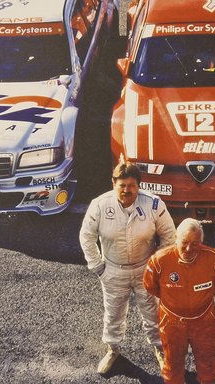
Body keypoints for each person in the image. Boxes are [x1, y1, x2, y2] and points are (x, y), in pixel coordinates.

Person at [79, 159, 176, 374]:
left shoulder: (154, 204)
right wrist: (98, 267)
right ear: (114, 183)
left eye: (132, 185)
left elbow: (169, 236)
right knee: (113, 313)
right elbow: (86, 236)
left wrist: (157, 265)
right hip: (113, 270)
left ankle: (160, 349)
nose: (127, 190)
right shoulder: (99, 205)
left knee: (153, 312)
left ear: (139, 185)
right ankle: (113, 350)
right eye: (122, 185)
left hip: (145, 269)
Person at [143, 218, 215, 384]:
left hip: (204, 320)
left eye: (195, 244)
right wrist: (175, 301)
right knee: (172, 363)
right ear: (176, 238)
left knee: (208, 361)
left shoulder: (214, 258)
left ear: (201, 242)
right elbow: (150, 286)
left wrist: (201, 300)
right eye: (184, 243)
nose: (189, 249)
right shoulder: (159, 260)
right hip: (172, 322)